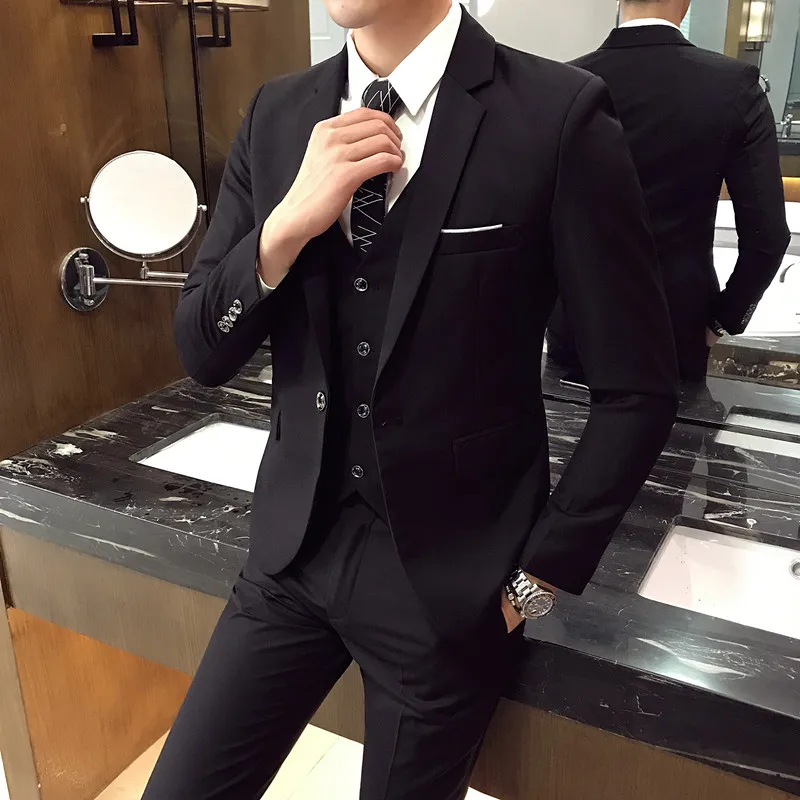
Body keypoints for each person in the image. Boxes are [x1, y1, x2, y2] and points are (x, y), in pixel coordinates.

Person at [143, 1, 678, 797]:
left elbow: (637, 388)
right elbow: (202, 349)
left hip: (449, 593)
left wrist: (533, 585)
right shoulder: (278, 113)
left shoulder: (557, 114)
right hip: (291, 560)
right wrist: (282, 230)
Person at [548, 0, 791, 383]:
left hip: (576, 327)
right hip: (677, 330)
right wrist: (724, 319)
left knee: (569, 424)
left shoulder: (561, 84)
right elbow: (768, 238)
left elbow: (529, 221)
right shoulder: (734, 87)